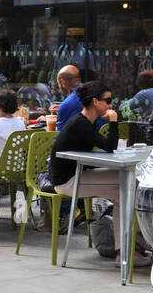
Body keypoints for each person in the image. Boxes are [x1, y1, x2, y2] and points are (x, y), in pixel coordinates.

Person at [48, 81, 145, 265]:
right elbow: (110, 147)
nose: (110, 105)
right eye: (107, 101)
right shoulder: (81, 123)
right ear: (95, 101)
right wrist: (114, 121)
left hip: (72, 176)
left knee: (121, 193)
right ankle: (134, 242)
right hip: (67, 182)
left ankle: (125, 250)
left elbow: (104, 146)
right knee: (129, 180)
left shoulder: (85, 122)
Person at [53, 64, 83, 129]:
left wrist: (63, 108)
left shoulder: (67, 104)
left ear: (62, 81)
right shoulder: (93, 92)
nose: (58, 86)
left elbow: (60, 137)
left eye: (58, 83)